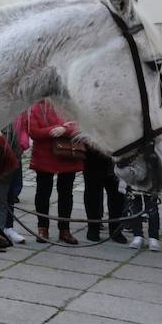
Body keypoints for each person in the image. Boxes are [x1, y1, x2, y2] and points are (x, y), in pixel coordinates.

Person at [26, 99, 82, 245]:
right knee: (43, 193)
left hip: (67, 155)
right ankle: (42, 228)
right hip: (44, 156)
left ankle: (65, 229)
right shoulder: (36, 106)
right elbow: (33, 132)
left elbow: (80, 126)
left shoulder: (69, 104)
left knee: (66, 193)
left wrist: (65, 129)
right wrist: (56, 129)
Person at [83, 147, 128, 243]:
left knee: (117, 195)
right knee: (92, 193)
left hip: (115, 155)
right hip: (92, 155)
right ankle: (93, 228)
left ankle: (115, 230)